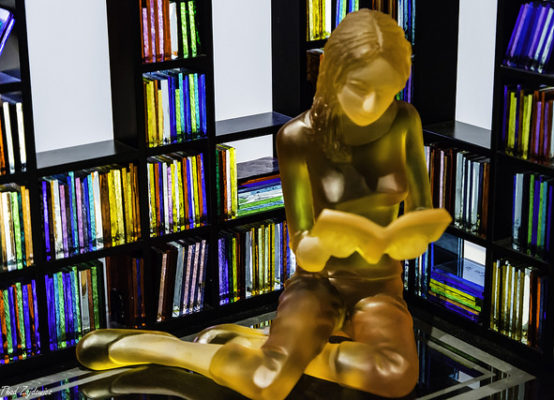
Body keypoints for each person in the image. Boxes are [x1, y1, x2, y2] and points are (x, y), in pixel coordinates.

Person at [76, 9, 451, 400]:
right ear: (332, 74)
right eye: (359, 88)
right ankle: (169, 349)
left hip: (380, 289)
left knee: (396, 376)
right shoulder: (297, 137)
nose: (373, 105)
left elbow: (422, 209)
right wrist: (330, 238)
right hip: (319, 284)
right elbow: (303, 245)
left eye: (387, 92)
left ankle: (265, 345)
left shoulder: (405, 120)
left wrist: (416, 233)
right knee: (266, 385)